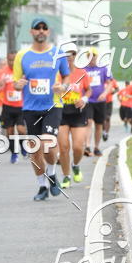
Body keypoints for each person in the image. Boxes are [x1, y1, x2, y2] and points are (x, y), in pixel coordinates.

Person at [13, 18, 70, 201]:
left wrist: (62, 87)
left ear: (48, 32)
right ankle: (42, 186)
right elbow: (15, 82)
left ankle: (51, 173)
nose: (41, 31)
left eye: (44, 28)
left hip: (52, 106)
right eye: (37, 28)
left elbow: (67, 77)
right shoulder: (22, 55)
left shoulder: (58, 53)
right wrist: (18, 85)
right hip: (30, 108)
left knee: (47, 143)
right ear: (31, 31)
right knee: (34, 151)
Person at [57, 44, 91, 188]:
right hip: (61, 112)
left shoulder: (82, 73)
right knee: (64, 147)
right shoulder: (57, 73)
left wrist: (84, 99)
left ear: (76, 56)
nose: (69, 57)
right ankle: (66, 176)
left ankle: (75, 165)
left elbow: (88, 90)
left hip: (78, 112)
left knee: (78, 146)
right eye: (66, 54)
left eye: (72, 54)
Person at [0, 53, 27, 163]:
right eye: (10, 60)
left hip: (21, 106)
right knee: (10, 132)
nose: (12, 63)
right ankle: (14, 153)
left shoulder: (24, 71)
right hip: (7, 106)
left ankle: (23, 147)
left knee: (21, 130)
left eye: (14, 60)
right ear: (7, 60)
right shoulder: (1, 73)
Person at [82, 47, 115, 156]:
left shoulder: (103, 68)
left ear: (97, 57)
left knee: (99, 125)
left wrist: (104, 94)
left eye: (93, 56)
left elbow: (110, 83)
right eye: (89, 56)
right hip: (88, 100)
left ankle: (96, 147)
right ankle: (87, 146)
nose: (91, 58)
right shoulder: (84, 69)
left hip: (100, 101)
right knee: (88, 122)